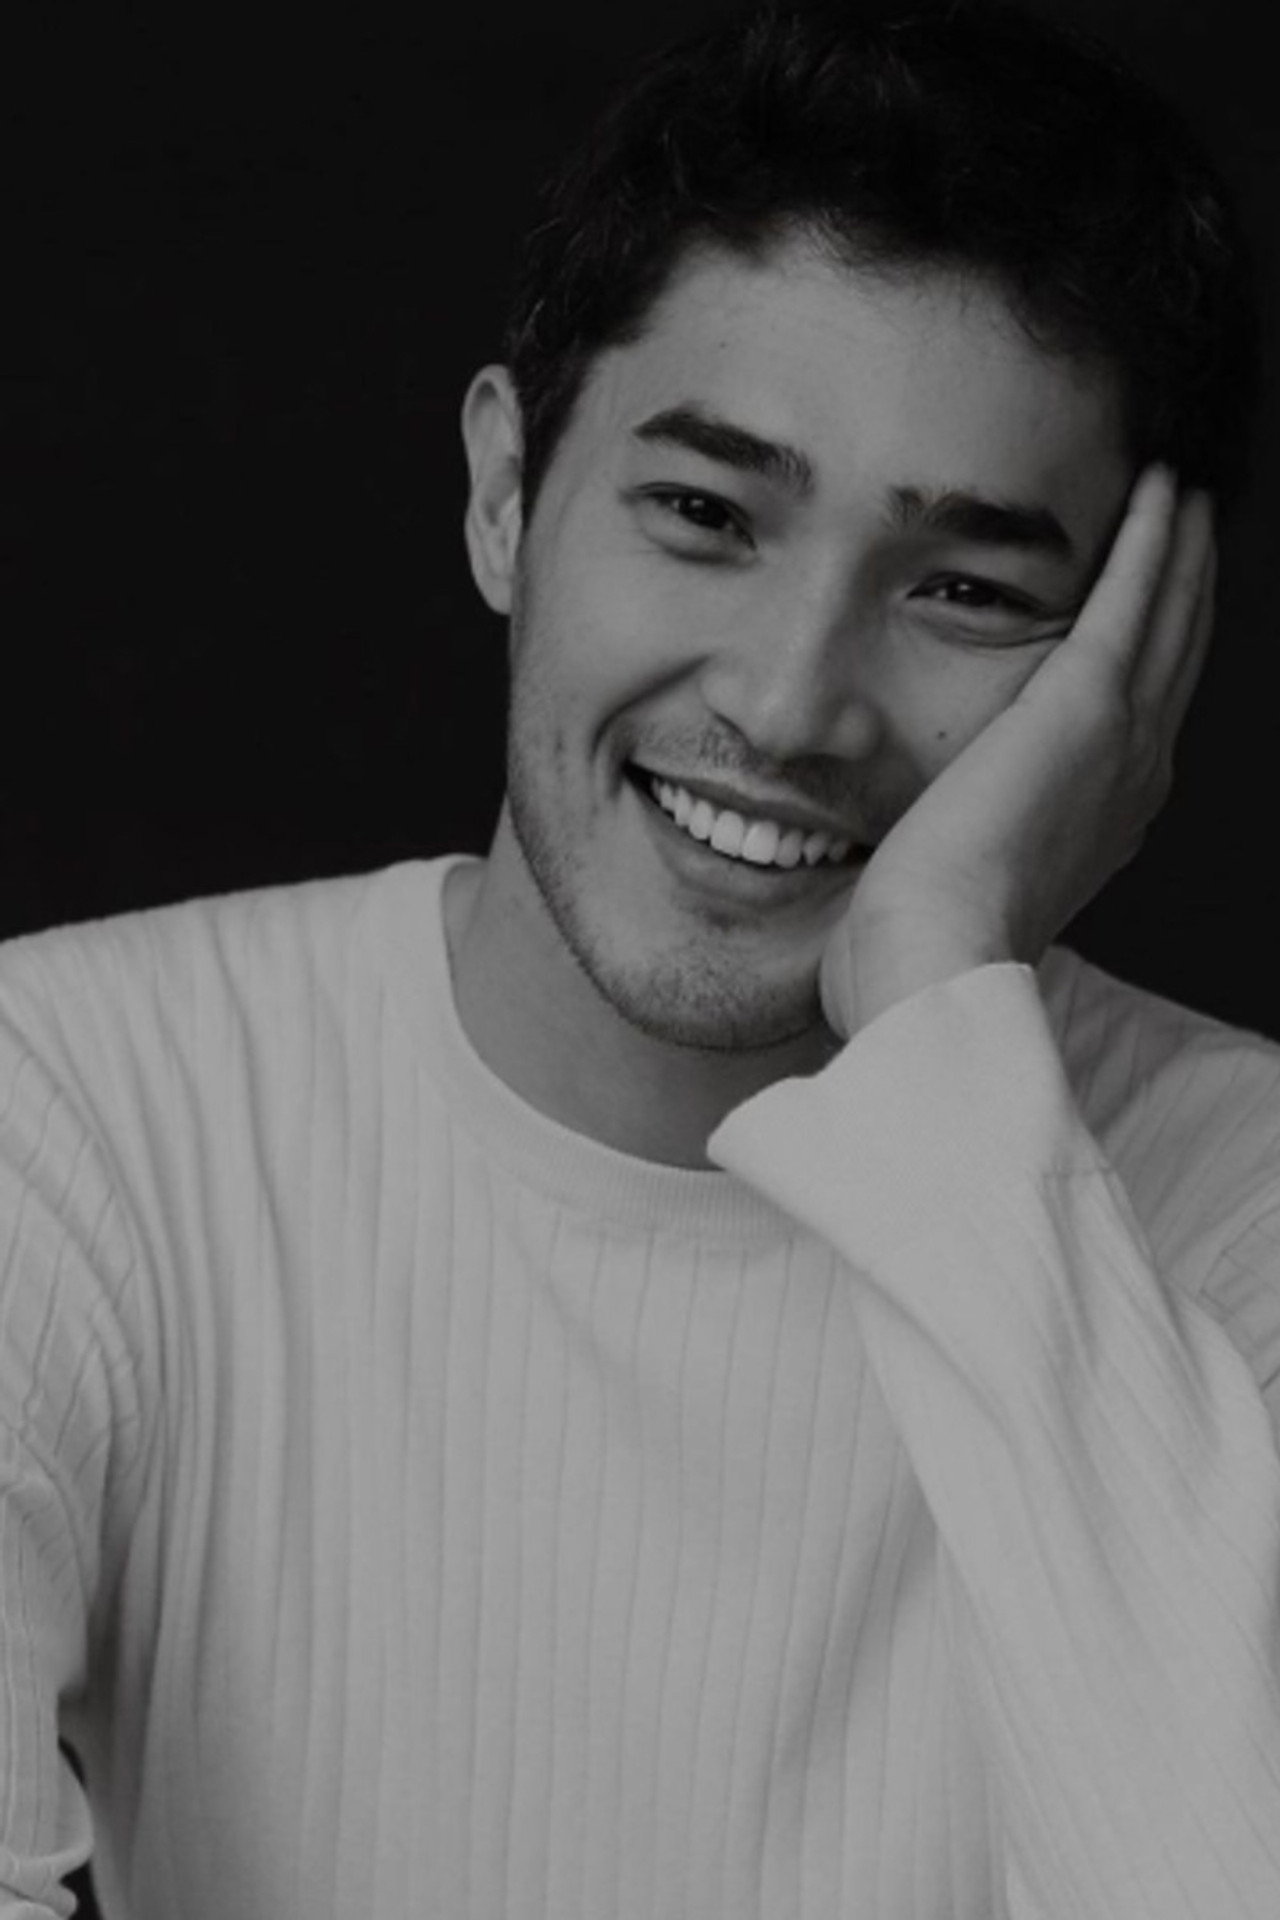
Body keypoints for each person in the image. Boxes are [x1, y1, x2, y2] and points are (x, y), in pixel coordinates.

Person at [3, 0, 1279, 1913]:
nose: (789, 701)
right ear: (505, 495)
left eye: (965, 590)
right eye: (703, 513)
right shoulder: (75, 1113)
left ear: (1128, 668)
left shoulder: (1247, 1216)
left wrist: (943, 1017)